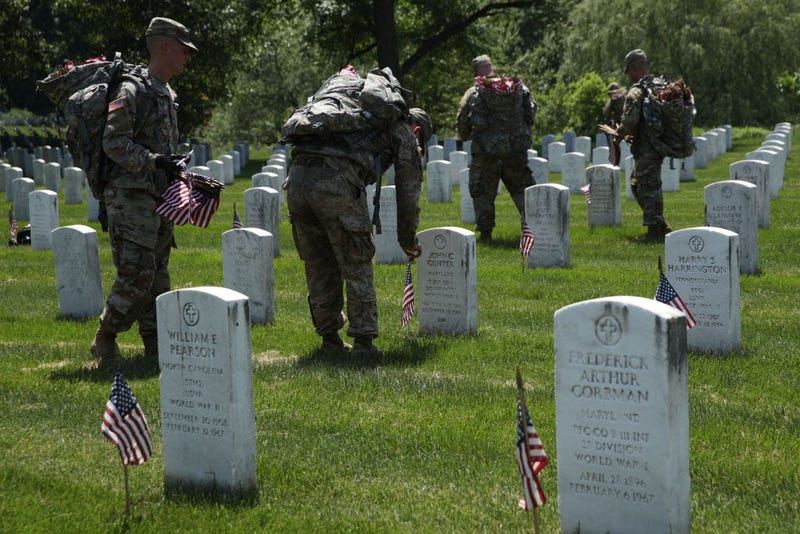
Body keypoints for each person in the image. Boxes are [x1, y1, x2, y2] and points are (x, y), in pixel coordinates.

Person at [286, 86, 431, 356]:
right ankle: (364, 342)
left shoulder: (354, 115)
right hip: (335, 184)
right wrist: (408, 240)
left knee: (319, 263)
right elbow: (408, 192)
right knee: (357, 260)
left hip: (296, 180)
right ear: (419, 130)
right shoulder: (402, 130)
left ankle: (329, 339)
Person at [91, 17, 197, 364]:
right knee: (137, 271)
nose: (187, 59)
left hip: (159, 195)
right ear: (164, 47)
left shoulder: (167, 93)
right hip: (130, 195)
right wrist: (154, 162)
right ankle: (106, 336)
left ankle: (154, 343)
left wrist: (176, 169)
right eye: (183, 51)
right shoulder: (131, 90)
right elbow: (114, 143)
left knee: (158, 274)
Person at [456, 54, 536, 243]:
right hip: (515, 152)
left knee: (482, 192)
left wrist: (467, 136)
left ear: (476, 71)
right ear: (492, 68)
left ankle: (485, 234)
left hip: (486, 153)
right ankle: (535, 229)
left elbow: (462, 121)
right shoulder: (517, 88)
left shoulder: (474, 92)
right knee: (523, 190)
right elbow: (531, 114)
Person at [613, 48, 672, 241]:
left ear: (635, 68)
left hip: (648, 147)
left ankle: (655, 230)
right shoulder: (660, 86)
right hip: (660, 143)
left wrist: (618, 134)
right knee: (637, 183)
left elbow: (629, 121)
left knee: (648, 186)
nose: (628, 75)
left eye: (628, 71)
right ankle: (660, 224)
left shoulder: (638, 90)